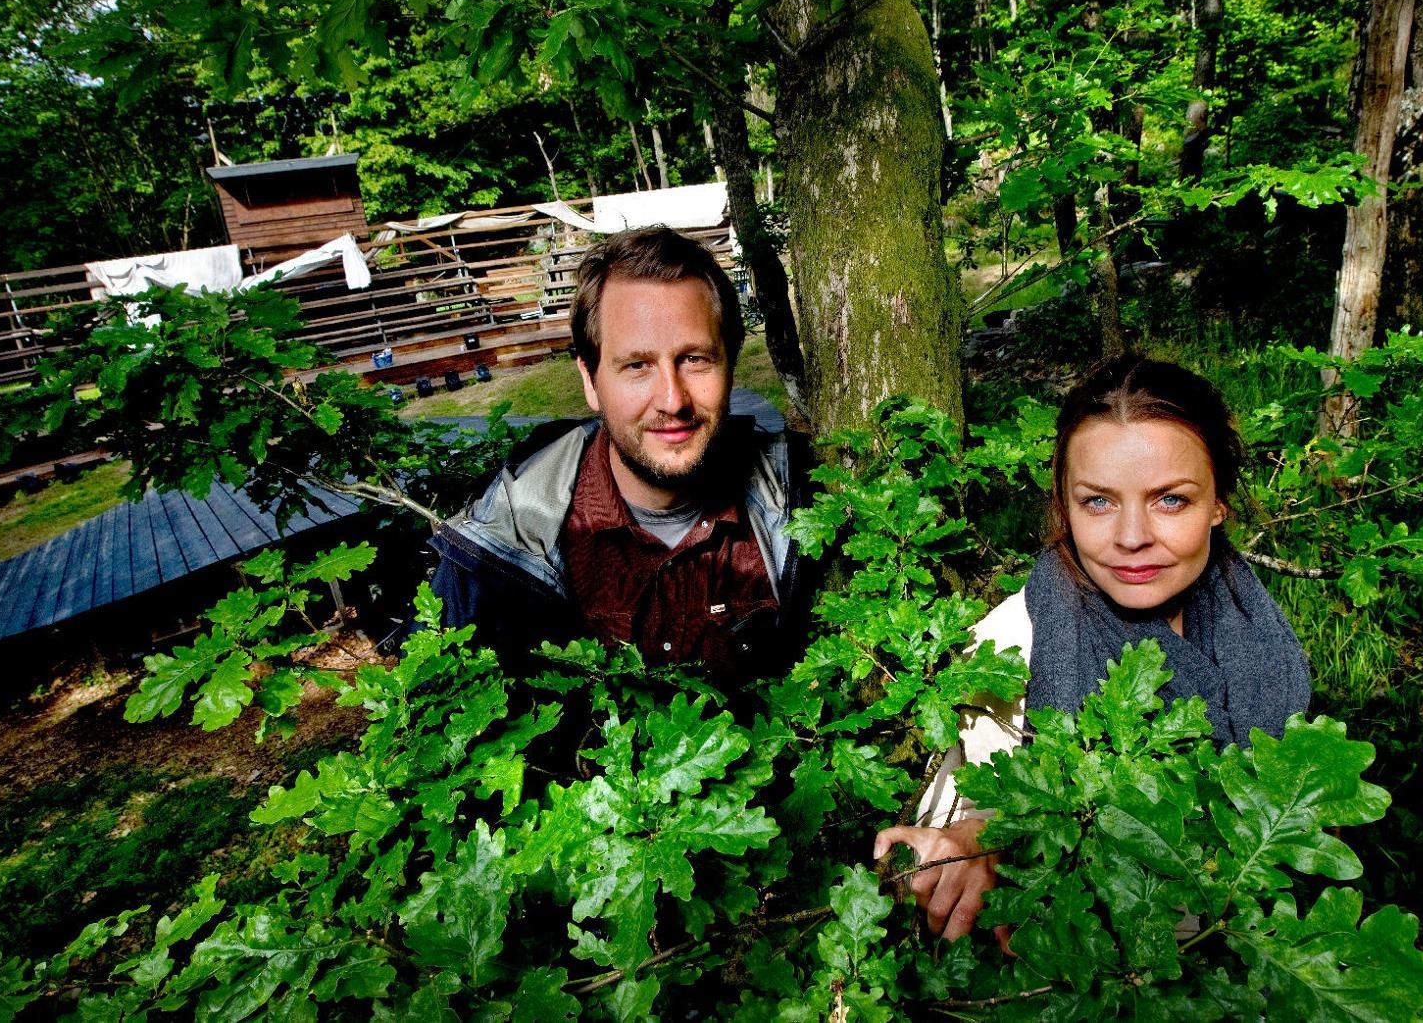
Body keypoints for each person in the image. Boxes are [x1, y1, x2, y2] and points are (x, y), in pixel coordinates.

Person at [873, 355, 1311, 949]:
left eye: (1170, 500)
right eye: (1098, 502)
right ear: (1065, 504)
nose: (1131, 538)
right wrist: (978, 845)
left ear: (1218, 503)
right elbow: (988, 806)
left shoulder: (1249, 620)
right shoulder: (1008, 649)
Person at [428, 226, 809, 683]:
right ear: (590, 381)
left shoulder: (802, 505)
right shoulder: (504, 538)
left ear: (729, 365)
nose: (673, 400)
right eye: (637, 365)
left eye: (695, 359)